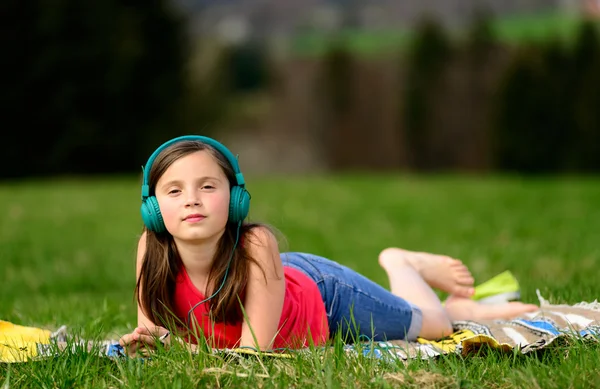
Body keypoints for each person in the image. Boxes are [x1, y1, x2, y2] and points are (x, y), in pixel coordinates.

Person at [119, 135, 539, 356]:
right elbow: (151, 334)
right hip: (276, 286)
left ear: (235, 198)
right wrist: (148, 343)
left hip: (326, 297)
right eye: (173, 191)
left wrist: (174, 348)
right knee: (445, 319)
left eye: (207, 186)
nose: (191, 198)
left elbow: (252, 357)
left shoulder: (255, 243)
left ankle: (402, 264)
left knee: (436, 329)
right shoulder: (151, 248)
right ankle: (460, 307)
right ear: (154, 209)